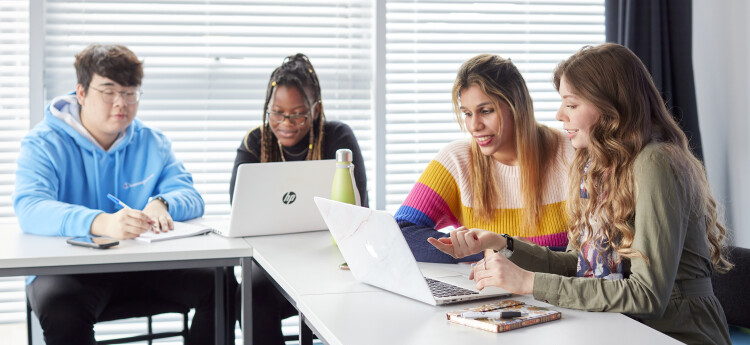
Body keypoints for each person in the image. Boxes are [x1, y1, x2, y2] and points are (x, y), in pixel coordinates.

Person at [430, 43, 732, 345]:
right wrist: (502, 244)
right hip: (621, 329)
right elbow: (577, 263)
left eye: (571, 105)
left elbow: (647, 295)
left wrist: (528, 282)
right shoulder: (598, 168)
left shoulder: (655, 163)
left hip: (676, 334)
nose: (560, 114)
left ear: (611, 107)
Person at [13, 44, 215, 345]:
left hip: (141, 266)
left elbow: (189, 195)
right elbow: (30, 207)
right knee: (62, 308)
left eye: (130, 92)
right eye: (108, 91)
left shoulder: (152, 142)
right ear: (81, 93)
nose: (121, 102)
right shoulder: (43, 143)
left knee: (218, 283)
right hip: (70, 273)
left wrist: (162, 203)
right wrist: (100, 222)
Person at [230, 53, 369, 345]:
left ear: (316, 109)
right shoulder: (255, 141)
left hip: (326, 257)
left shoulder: (337, 137)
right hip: (269, 262)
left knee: (354, 296)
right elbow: (239, 208)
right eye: (277, 112)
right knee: (251, 296)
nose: (286, 122)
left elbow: (358, 207)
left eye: (298, 113)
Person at [395, 53, 573, 263]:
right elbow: (400, 233)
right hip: (485, 291)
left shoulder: (571, 152)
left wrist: (510, 249)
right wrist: (487, 249)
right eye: (467, 114)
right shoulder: (456, 160)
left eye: (486, 111)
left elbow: (592, 254)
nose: (474, 126)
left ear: (518, 107)